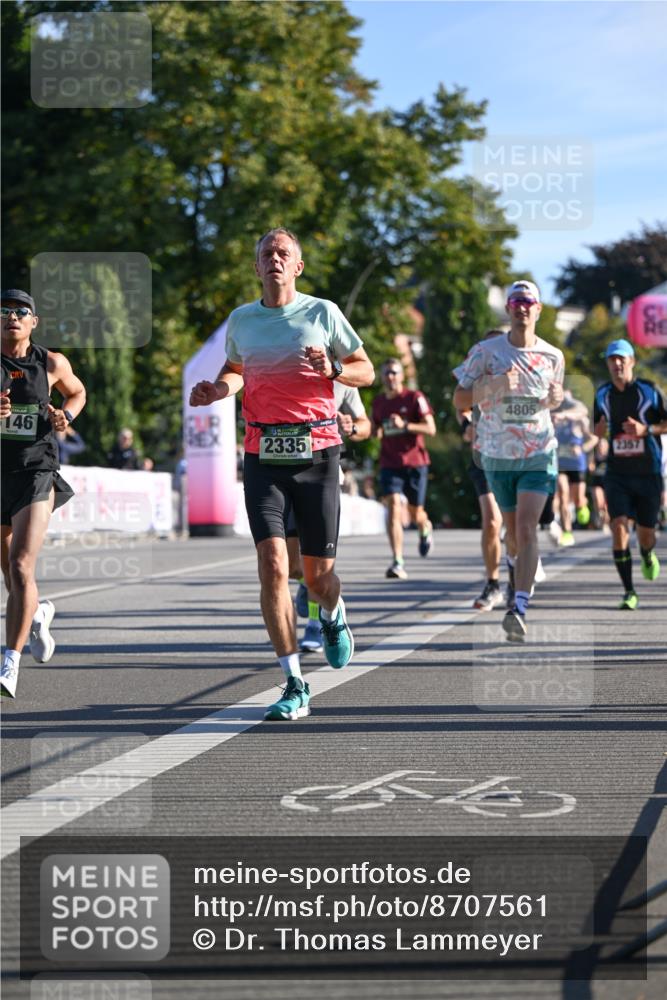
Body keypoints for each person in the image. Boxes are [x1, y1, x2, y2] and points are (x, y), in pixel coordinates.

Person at [189, 228, 374, 721]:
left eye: (283, 253)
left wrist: (333, 369)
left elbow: (366, 370)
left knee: (317, 579)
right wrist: (218, 391)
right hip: (262, 453)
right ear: (256, 267)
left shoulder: (323, 313)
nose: (274, 259)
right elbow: (235, 369)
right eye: (266, 253)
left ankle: (333, 615)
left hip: (316, 452)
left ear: (298, 266)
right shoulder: (243, 320)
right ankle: (294, 682)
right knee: (272, 567)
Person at [453, 280, 564, 642]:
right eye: (516, 301)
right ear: (508, 308)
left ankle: (518, 606)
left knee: (528, 529)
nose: (522, 307)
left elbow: (549, 401)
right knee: (513, 534)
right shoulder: (485, 352)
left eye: (528, 301)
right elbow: (459, 399)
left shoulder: (552, 356)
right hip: (497, 456)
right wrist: (494, 387)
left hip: (538, 452)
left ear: (538, 309)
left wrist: (556, 398)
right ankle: (514, 571)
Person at [1, 288, 86, 698]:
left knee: (20, 565)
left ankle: (9, 664)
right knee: (11, 577)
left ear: (33, 322)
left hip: (37, 469)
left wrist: (64, 415)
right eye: (5, 311)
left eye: (21, 312)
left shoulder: (50, 362)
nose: (12, 317)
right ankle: (37, 615)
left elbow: (78, 391)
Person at [290, 384, 371, 653]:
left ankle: (316, 622)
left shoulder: (342, 379)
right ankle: (307, 584)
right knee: (293, 567)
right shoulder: (281, 362)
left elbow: (364, 424)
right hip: (281, 470)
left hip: (323, 471)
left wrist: (351, 428)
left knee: (315, 563)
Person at [593, 339, 667, 610]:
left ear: (632, 361)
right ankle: (629, 591)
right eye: (612, 359)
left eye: (622, 358)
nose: (617, 364)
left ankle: (647, 554)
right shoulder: (602, 394)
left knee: (646, 535)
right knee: (619, 528)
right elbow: (597, 429)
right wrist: (598, 436)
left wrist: (645, 430)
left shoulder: (649, 391)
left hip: (648, 473)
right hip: (617, 474)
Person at [371, 359, 436, 580]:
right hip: (390, 463)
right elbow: (376, 429)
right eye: (386, 373)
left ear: (401, 375)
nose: (390, 377)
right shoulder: (378, 403)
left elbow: (431, 428)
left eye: (394, 373)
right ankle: (397, 561)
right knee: (394, 508)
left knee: (415, 513)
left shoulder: (414, 398)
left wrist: (406, 426)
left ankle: (424, 527)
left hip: (415, 463)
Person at [552, 389, 598, 546]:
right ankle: (567, 531)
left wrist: (583, 449)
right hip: (559, 463)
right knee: (563, 495)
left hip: (577, 464)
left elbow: (593, 439)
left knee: (578, 499)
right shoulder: (553, 417)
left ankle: (581, 506)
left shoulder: (579, 419)